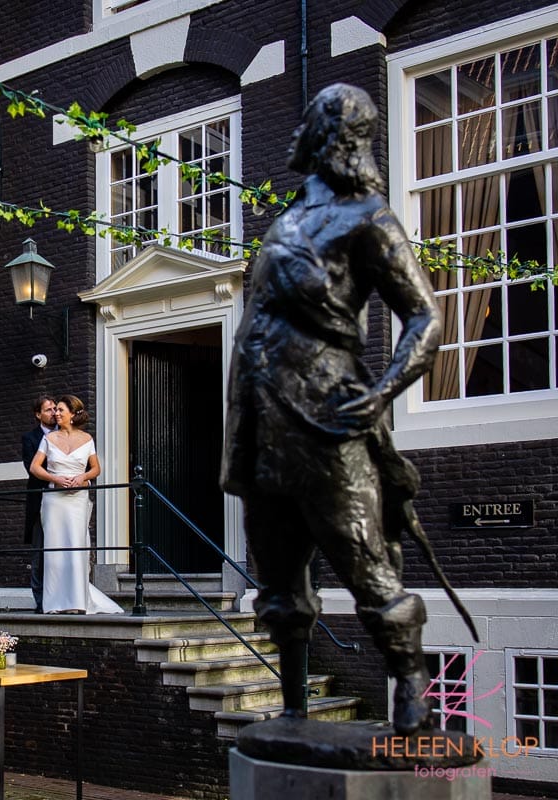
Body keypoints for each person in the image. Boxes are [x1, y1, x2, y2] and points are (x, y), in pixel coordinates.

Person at [220, 84, 442, 735]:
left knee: (366, 564)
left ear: (331, 138)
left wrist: (384, 392)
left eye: (310, 121)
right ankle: (292, 707)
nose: (296, 132)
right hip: (259, 425)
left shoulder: (369, 218)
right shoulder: (286, 220)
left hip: (326, 422)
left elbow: (426, 317)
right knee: (279, 582)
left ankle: (409, 688)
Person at [29, 395, 123, 615]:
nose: (56, 414)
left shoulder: (87, 439)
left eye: (61, 410)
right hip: (54, 501)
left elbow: (95, 469)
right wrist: (56, 479)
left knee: (76, 545)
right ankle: (54, 603)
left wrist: (82, 477)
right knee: (54, 548)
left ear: (72, 415)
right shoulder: (49, 439)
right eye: (55, 411)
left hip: (78, 500)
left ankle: (78, 601)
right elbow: (35, 467)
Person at [21, 395, 57, 613]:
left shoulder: (66, 435)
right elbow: (31, 468)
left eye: (55, 408)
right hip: (41, 500)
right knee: (40, 552)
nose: (54, 413)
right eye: (48, 410)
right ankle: (40, 601)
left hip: (63, 501)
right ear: (38, 415)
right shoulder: (30, 438)